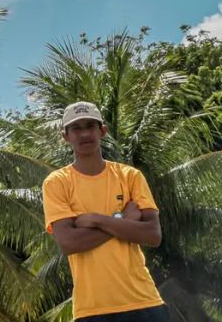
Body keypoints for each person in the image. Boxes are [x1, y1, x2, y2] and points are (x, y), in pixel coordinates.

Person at [42, 101, 168, 322]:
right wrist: (123, 220)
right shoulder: (57, 183)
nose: (84, 134)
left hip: (146, 302)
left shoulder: (130, 177)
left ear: (103, 131)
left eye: (90, 125)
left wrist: (95, 220)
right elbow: (69, 243)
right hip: (93, 311)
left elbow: (152, 235)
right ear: (66, 136)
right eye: (76, 128)